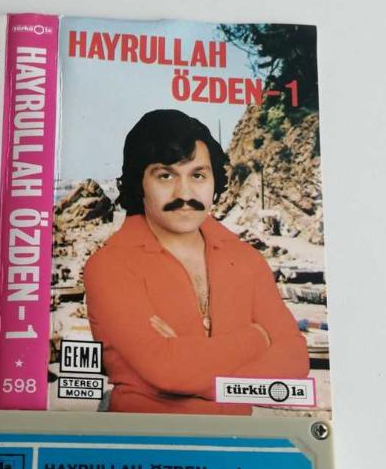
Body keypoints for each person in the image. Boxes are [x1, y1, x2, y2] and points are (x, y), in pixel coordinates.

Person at [83, 109, 309, 414]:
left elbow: (294, 362)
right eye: (165, 175)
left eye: (198, 175)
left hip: (236, 439)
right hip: (143, 437)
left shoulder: (246, 259)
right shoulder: (109, 266)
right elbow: (168, 370)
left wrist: (194, 372)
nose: (185, 193)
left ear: (215, 181)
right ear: (139, 183)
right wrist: (257, 338)